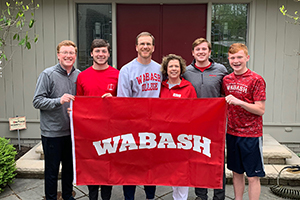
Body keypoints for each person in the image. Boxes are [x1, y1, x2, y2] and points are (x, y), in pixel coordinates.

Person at [33, 40, 80, 200]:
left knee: (69, 169)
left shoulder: (78, 75)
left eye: (71, 53)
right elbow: (37, 101)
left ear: (75, 55)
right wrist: (58, 101)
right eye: (65, 53)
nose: (68, 56)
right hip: (52, 133)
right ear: (58, 55)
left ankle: (68, 196)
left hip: (71, 132)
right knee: (52, 171)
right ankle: (51, 197)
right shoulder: (47, 75)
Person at [117, 32, 162, 200]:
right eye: (142, 44)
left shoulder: (160, 68)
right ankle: (129, 198)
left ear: (153, 47)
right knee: (130, 166)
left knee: (151, 165)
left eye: (148, 44)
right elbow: (123, 101)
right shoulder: (126, 70)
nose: (145, 47)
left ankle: (150, 197)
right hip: (133, 124)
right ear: (136, 47)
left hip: (155, 125)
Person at [182, 38, 228, 200]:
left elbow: (226, 94)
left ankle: (219, 195)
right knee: (197, 161)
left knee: (218, 161)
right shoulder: (186, 71)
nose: (201, 52)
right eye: (197, 50)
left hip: (216, 124)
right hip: (194, 124)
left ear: (209, 52)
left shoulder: (221, 70)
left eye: (204, 49)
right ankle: (201, 195)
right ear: (193, 53)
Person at [76, 39, 119, 200]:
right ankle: (92, 196)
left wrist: (114, 100)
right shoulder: (82, 76)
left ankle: (106, 197)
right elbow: (79, 102)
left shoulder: (117, 74)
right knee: (91, 165)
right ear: (91, 53)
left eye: (104, 51)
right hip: (88, 130)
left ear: (108, 53)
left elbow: (123, 102)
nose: (101, 54)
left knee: (108, 167)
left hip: (110, 129)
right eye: (97, 51)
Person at [223, 43, 266, 200]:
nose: (236, 60)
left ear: (247, 58)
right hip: (232, 132)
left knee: (253, 176)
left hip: (251, 134)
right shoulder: (226, 80)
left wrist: (240, 102)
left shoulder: (256, 80)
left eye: (239, 57)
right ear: (228, 59)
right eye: (233, 57)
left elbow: (260, 109)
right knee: (236, 172)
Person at [160, 54, 197, 200]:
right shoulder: (160, 87)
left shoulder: (188, 88)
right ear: (166, 69)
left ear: (181, 69)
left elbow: (195, 112)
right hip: (164, 136)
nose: (174, 69)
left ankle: (181, 198)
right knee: (170, 168)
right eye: (171, 66)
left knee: (182, 169)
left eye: (177, 66)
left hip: (182, 136)